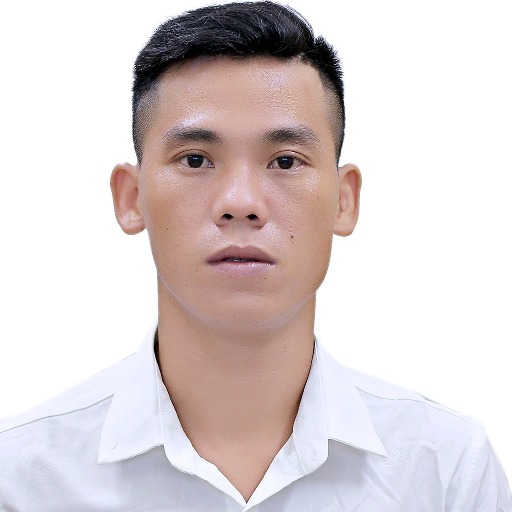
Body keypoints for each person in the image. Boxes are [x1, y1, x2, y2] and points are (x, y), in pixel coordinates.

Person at [0, 2, 510, 510]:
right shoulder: (21, 479)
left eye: (285, 161)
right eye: (195, 159)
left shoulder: (444, 472)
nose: (240, 202)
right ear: (131, 198)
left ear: (344, 200)